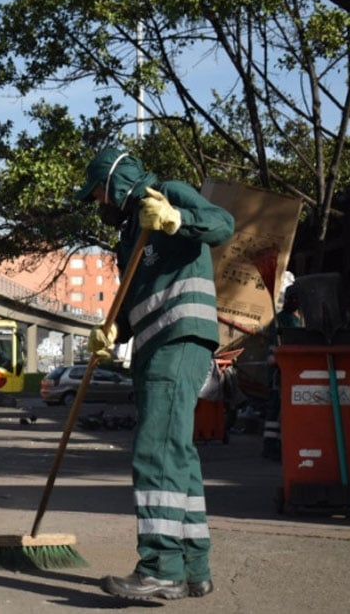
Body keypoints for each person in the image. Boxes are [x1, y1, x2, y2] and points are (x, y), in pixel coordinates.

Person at [78, 147, 234, 601]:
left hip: (180, 338)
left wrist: (176, 219)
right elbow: (134, 300)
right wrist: (113, 330)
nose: (98, 204)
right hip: (156, 346)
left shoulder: (167, 193)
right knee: (176, 453)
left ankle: (160, 568)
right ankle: (193, 567)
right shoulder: (130, 235)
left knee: (155, 450)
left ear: (115, 183)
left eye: (98, 194)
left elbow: (223, 224)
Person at [262, 284, 304, 461]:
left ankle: (280, 443)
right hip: (279, 371)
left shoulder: (300, 319)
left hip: (294, 370)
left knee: (285, 412)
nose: (294, 302)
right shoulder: (280, 321)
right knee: (274, 410)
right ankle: (270, 446)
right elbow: (274, 349)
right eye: (292, 298)